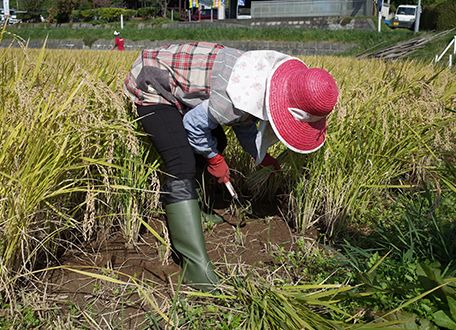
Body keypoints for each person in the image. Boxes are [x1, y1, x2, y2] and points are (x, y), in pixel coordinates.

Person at [123, 42, 338, 292]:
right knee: (180, 162)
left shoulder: (265, 83)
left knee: (218, 139)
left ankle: (199, 208)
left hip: (186, 81)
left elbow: (244, 123)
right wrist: (214, 160)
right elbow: (195, 124)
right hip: (154, 81)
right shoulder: (231, 99)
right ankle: (195, 268)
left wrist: (260, 155)